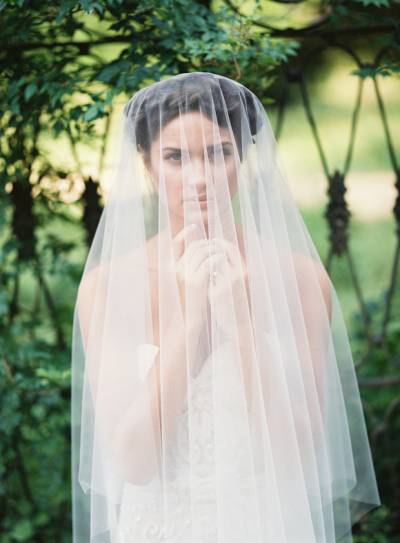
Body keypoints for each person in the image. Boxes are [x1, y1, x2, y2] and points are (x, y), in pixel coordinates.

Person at [71, 72, 381, 543]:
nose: (200, 178)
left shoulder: (299, 279)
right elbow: (133, 460)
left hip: (270, 526)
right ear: (149, 165)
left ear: (243, 157)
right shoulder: (107, 286)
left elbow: (298, 456)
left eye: (218, 153)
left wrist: (241, 323)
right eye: (176, 157)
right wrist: (192, 320)